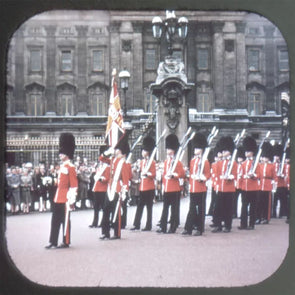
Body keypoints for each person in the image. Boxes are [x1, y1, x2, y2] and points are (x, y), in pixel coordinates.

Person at [45, 133, 78, 249]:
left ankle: (66, 240)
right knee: (55, 220)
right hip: (58, 197)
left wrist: (72, 199)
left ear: (67, 154)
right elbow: (60, 183)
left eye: (62, 153)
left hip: (66, 198)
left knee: (65, 220)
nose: (60, 155)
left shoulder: (71, 167)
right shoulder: (62, 167)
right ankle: (52, 241)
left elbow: (74, 185)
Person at [99, 136, 130, 240]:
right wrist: (107, 152)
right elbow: (101, 158)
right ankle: (105, 232)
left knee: (116, 212)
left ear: (121, 152)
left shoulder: (124, 163)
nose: (116, 150)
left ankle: (117, 233)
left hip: (118, 189)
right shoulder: (112, 160)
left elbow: (126, 179)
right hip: (110, 188)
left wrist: (124, 191)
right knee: (106, 210)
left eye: (117, 149)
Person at [182, 132, 210, 236]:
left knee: (201, 209)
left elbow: (207, 174)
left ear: (202, 149)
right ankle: (188, 228)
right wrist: (190, 179)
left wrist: (203, 178)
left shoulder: (205, 161)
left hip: (201, 188)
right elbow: (192, 173)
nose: (195, 150)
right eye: (195, 148)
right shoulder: (193, 161)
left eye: (197, 148)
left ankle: (200, 229)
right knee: (192, 208)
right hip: (193, 188)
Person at [157, 134, 185, 234]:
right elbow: (164, 174)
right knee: (165, 208)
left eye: (170, 149)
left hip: (175, 189)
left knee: (174, 210)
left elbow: (182, 174)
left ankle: (173, 227)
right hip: (167, 188)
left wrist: (174, 175)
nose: (168, 151)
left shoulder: (177, 162)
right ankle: (163, 226)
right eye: (167, 148)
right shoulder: (166, 162)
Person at [212, 136, 237, 233]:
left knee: (228, 208)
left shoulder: (233, 163)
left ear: (230, 151)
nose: (223, 153)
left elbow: (235, 175)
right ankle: (218, 225)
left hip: (229, 188)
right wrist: (217, 185)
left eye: (225, 151)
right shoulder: (219, 163)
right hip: (221, 188)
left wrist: (230, 177)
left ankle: (227, 225)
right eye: (222, 151)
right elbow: (217, 175)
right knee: (218, 207)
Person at [131, 136, 156, 231]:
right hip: (142, 187)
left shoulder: (152, 162)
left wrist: (147, 173)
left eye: (144, 151)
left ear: (148, 152)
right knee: (140, 206)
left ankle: (148, 225)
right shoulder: (141, 162)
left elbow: (153, 174)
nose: (142, 152)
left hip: (149, 187)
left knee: (149, 208)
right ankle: (136, 224)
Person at [238, 136, 259, 230]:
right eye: (246, 151)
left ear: (252, 152)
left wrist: (253, 175)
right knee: (244, 206)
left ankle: (251, 224)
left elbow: (259, 175)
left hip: (253, 187)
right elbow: (240, 175)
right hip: (244, 188)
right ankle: (243, 224)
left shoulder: (256, 163)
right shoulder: (243, 164)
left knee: (253, 207)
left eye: (248, 151)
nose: (246, 153)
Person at [89, 145, 110, 228]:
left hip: (103, 189)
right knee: (96, 207)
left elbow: (107, 178)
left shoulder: (107, 167)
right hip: (96, 188)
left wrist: (101, 178)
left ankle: (103, 222)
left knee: (103, 208)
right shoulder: (99, 167)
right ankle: (95, 222)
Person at [256, 142, 275, 224]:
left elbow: (274, 177)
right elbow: (258, 175)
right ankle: (258, 217)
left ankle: (266, 218)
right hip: (260, 185)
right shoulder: (260, 165)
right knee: (259, 202)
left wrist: (274, 186)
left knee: (267, 203)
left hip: (268, 185)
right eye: (263, 157)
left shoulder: (272, 166)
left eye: (265, 157)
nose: (264, 158)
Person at [272, 143, 288, 218]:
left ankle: (282, 213)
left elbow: (286, 173)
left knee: (282, 200)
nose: (276, 157)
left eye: (277, 156)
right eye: (275, 156)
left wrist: (283, 175)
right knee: (273, 201)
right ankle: (273, 213)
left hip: (281, 184)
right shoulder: (272, 164)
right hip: (274, 185)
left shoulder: (283, 165)